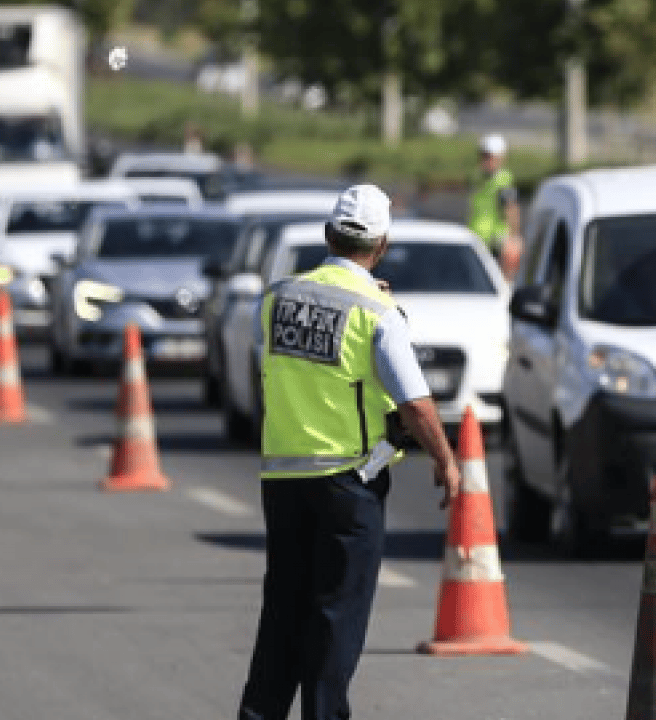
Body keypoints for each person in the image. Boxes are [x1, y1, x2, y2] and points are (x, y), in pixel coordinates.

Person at [237, 184, 461, 720]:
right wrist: (446, 460)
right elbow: (415, 404)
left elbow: (298, 339)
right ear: (382, 245)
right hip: (348, 483)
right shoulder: (377, 312)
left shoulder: (275, 299)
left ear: (327, 235)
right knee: (335, 621)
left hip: (283, 481)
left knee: (282, 615)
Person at [467, 133, 522, 278]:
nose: (486, 161)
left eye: (490, 157)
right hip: (476, 237)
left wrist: (513, 238)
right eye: (484, 156)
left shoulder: (504, 180)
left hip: (496, 242)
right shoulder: (477, 177)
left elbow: (511, 209)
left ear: (500, 158)